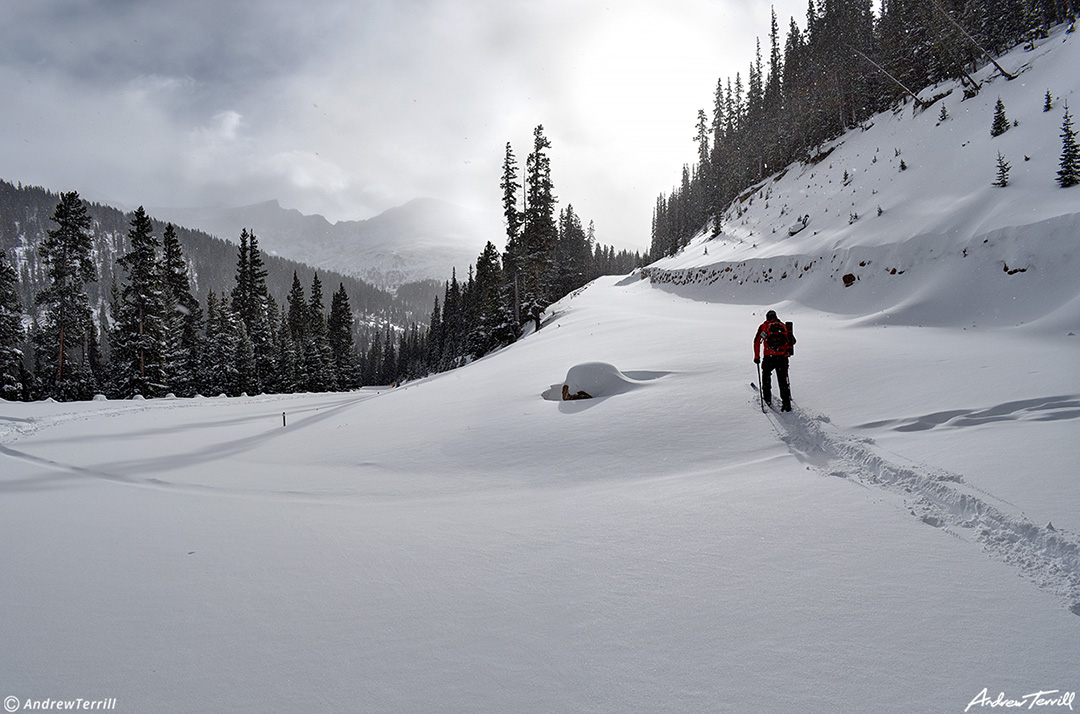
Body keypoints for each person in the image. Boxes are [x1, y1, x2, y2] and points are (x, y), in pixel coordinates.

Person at [753, 310, 795, 411]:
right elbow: (793, 341)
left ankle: (767, 399)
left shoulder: (764, 327)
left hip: (769, 357)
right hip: (782, 357)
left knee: (766, 377)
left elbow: (757, 341)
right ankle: (786, 404)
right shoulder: (784, 326)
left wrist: (757, 357)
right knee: (782, 380)